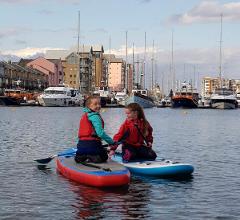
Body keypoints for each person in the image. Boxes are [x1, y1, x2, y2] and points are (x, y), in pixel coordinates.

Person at [75, 95, 117, 163]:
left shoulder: (85, 115)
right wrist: (111, 142)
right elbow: (100, 133)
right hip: (93, 145)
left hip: (81, 146)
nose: (98, 106)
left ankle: (82, 157)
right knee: (104, 156)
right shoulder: (95, 117)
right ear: (89, 106)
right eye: (95, 104)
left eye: (99, 104)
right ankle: (93, 157)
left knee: (80, 156)